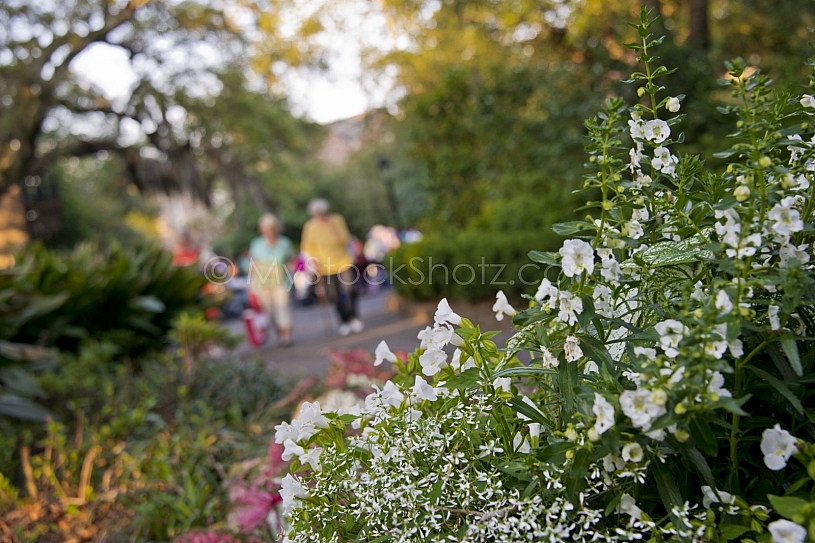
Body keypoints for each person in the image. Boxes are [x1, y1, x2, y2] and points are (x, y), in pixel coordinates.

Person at [301, 198, 363, 336]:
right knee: (334, 295)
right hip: (325, 266)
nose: (320, 216)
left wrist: (331, 227)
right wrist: (313, 262)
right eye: (317, 214)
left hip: (344, 261)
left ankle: (354, 317)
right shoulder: (310, 227)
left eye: (322, 213)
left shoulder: (337, 220)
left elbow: (345, 239)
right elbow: (307, 247)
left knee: (350, 289)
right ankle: (344, 320)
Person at [248, 213, 296, 346]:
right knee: (269, 312)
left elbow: (293, 261)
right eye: (266, 227)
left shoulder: (285, 243)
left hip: (281, 281)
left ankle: (286, 335)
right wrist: (251, 284)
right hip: (262, 283)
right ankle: (280, 333)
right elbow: (254, 264)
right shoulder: (256, 244)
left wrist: (299, 274)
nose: (269, 230)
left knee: (283, 308)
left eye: (272, 227)